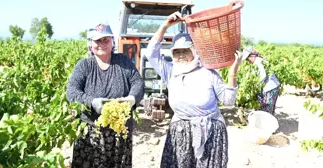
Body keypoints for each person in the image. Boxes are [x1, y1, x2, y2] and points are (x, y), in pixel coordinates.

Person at [146, 11, 243, 168]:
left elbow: (228, 101)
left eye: (186, 51)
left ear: (195, 51)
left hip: (210, 133)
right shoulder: (170, 71)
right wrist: (165, 25)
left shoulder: (208, 72)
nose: (181, 55)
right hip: (180, 132)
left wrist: (233, 72)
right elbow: (151, 54)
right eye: (177, 52)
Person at [66, 23, 144, 168]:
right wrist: (92, 102)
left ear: (112, 42)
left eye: (105, 40)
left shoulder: (123, 61)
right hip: (91, 134)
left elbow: (138, 82)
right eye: (97, 41)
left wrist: (131, 99)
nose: (101, 44)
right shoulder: (84, 66)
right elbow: (72, 92)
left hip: (119, 133)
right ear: (90, 44)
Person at [242, 46, 281, 115]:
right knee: (269, 109)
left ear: (252, 56)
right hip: (273, 87)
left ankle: (266, 124)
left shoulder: (258, 62)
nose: (248, 61)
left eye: (248, 59)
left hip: (270, 88)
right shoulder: (261, 60)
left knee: (266, 109)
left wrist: (255, 86)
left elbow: (263, 75)